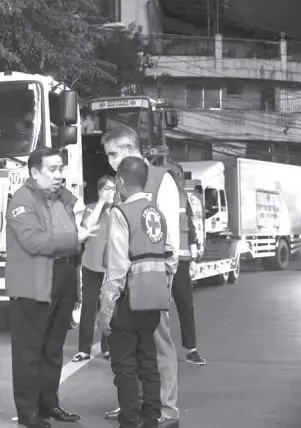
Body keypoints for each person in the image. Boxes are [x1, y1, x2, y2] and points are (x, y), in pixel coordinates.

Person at [5, 147, 97, 428]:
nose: (59, 175)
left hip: (63, 280)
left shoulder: (63, 200)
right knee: (29, 352)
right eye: (53, 170)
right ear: (35, 172)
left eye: (61, 169)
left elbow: (78, 232)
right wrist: (75, 238)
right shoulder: (23, 199)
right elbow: (35, 242)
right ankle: (28, 413)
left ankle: (49, 405)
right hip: (35, 286)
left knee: (53, 349)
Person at [100, 127, 181, 426]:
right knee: (139, 352)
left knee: (157, 348)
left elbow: (169, 238)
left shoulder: (162, 180)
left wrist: (164, 282)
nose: (110, 161)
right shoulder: (122, 183)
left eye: (113, 153)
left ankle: (166, 410)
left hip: (149, 281)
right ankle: (136, 406)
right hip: (130, 284)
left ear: (129, 148)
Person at [71, 175, 116, 363]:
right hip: (91, 265)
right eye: (106, 188)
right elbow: (86, 226)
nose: (110, 192)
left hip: (112, 268)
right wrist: (101, 203)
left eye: (113, 188)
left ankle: (108, 348)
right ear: (99, 191)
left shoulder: (117, 212)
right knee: (89, 307)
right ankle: (84, 349)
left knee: (109, 309)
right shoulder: (91, 208)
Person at [166, 164, 206, 365]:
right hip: (162, 263)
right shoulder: (154, 200)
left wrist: (194, 260)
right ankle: (157, 350)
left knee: (186, 307)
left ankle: (191, 349)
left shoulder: (184, 201)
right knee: (157, 308)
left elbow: (190, 230)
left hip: (181, 263)